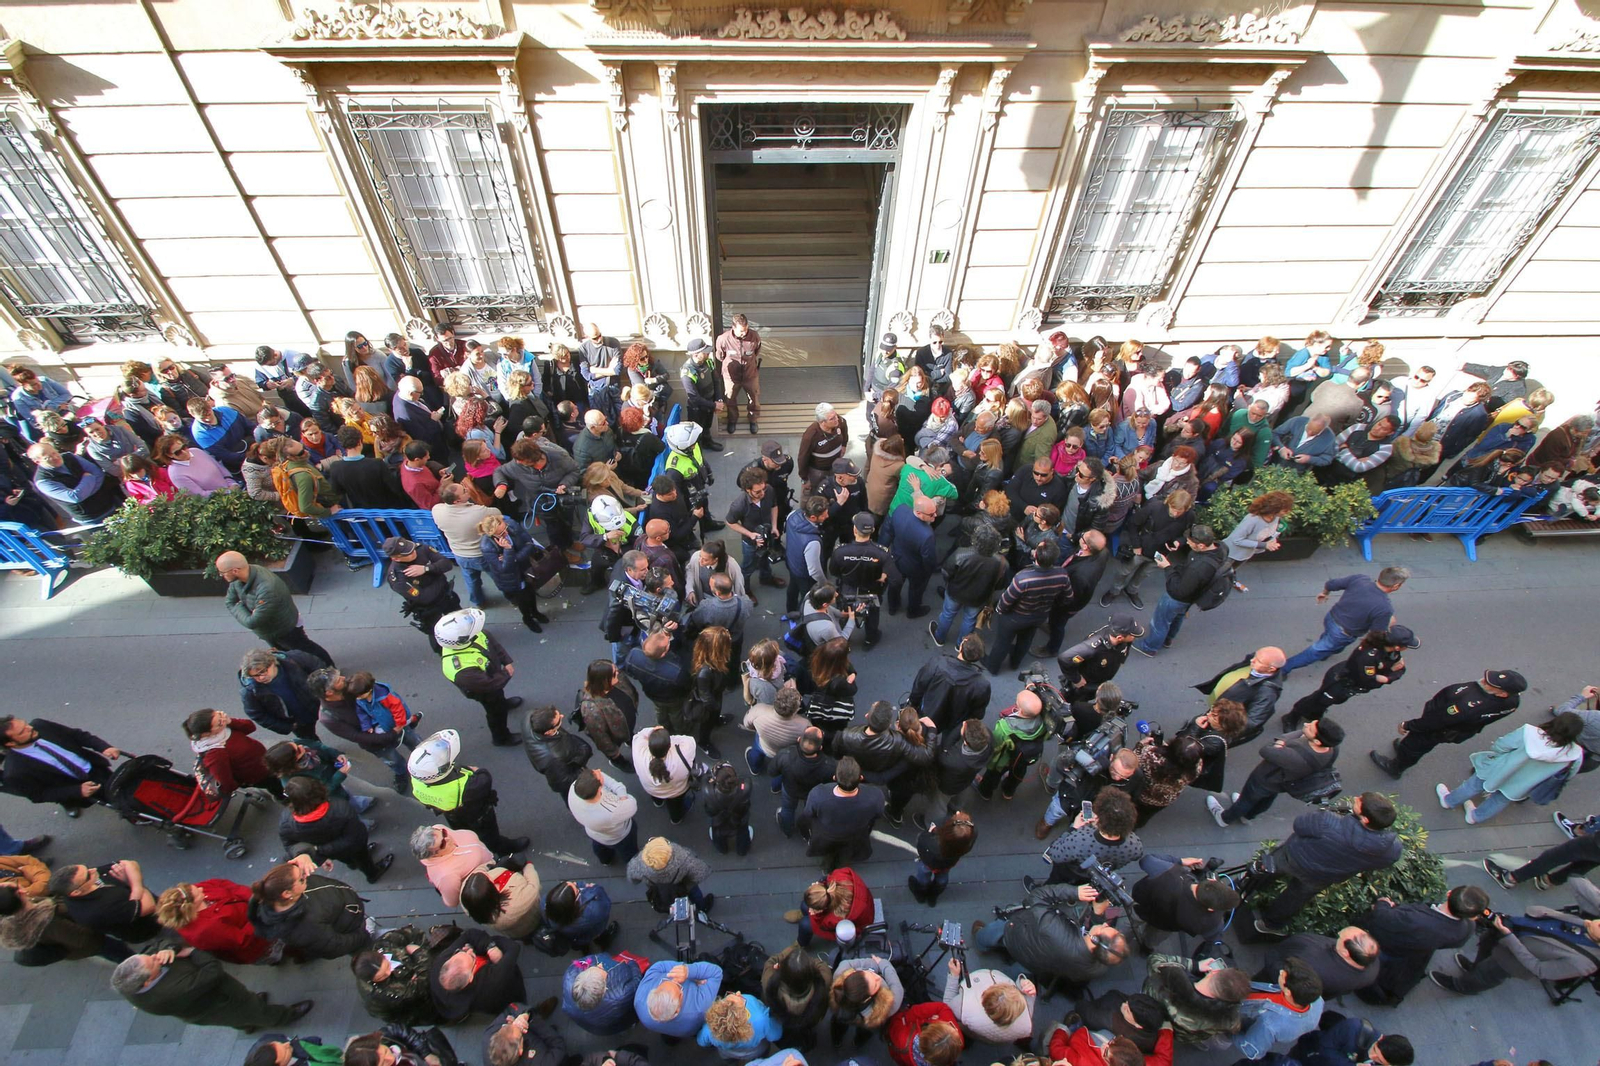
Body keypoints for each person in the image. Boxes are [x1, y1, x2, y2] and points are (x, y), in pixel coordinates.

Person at [1253, 793, 1402, 934]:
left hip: (1294, 856)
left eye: (1358, 802)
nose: (1355, 798)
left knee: (1267, 869)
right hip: (1323, 876)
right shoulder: (1392, 849)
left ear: (1365, 819)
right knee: (1295, 898)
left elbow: (1299, 825)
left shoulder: (1329, 821)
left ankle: (1248, 887)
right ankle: (1270, 924)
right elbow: (1377, 864)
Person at [111, 940, 313, 1031]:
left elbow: (158, 945)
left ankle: (247, 1026)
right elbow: (212, 970)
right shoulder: (172, 992)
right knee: (256, 1010)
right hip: (223, 1002)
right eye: (153, 962)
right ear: (147, 981)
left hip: (206, 1008)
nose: (155, 956)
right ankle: (284, 1016)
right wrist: (191, 952)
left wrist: (168, 948)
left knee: (240, 1018)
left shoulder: (133, 979)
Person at [970, 882, 1128, 991]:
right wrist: (1097, 915)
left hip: (1016, 937)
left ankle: (980, 941)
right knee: (1014, 975)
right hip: (1036, 965)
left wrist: (1075, 892)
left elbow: (1037, 897)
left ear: (1094, 940)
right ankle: (1002, 982)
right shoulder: (1098, 968)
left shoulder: (1053, 929)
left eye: (1105, 929)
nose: (1107, 925)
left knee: (991, 934)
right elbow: (1088, 933)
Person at [1369, 669, 1525, 779]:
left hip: (1438, 728)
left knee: (1414, 747)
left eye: (1493, 683)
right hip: (1455, 729)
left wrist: (1408, 725)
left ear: (1502, 693)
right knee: (1414, 744)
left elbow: (1435, 721)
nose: (1484, 680)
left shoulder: (1469, 705)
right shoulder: (1512, 701)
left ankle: (1396, 767)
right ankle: (1404, 751)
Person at [1435, 712, 1584, 824]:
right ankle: (1475, 817)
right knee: (1501, 800)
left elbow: (1501, 745)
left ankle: (1449, 801)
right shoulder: (1575, 754)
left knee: (1474, 785)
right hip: (1525, 784)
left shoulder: (1529, 732)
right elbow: (1569, 774)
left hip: (1500, 769)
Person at [1357, 884, 1488, 1006]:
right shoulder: (1467, 929)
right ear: (1473, 916)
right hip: (1410, 956)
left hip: (1387, 947)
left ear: (1449, 893)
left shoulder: (1413, 918)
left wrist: (1383, 903)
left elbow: (1382, 917)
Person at [408, 729, 529, 855]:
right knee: (489, 836)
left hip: (451, 815)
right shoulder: (469, 787)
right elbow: (484, 776)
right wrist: (473, 770)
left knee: (463, 834)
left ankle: (474, 848)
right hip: (476, 815)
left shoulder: (418, 779)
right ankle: (502, 850)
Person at [1429, 907, 1600, 995]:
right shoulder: (1586, 926)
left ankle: (1462, 986)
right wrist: (1583, 921)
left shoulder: (1585, 963)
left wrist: (1509, 937)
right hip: (1508, 930)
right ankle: (1474, 966)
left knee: (1486, 975)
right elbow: (1577, 881)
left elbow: (1539, 969)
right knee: (1484, 952)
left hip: (1512, 959)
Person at [1207, 718, 1344, 827]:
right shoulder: (1332, 749)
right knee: (1267, 799)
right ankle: (1248, 816)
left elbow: (1266, 750)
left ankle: (1225, 818)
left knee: (1247, 799)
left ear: (1317, 741)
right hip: (1284, 783)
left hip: (1265, 779)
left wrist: (1280, 742)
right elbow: (1295, 736)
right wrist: (1284, 742)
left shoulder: (1295, 756)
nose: (1306, 724)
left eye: (1309, 728)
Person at [1282, 625, 1416, 730]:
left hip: (1351, 683)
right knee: (1317, 699)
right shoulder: (1369, 657)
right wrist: (1388, 677)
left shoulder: (1390, 651)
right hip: (1340, 682)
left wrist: (1386, 674)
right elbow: (1369, 680)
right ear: (1397, 646)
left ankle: (1313, 715)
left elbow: (1399, 667)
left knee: (1326, 702)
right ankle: (1291, 717)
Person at [1280, 567, 1408, 677]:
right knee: (1316, 650)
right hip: (1344, 632)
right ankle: (1283, 669)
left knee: (1329, 641)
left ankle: (1326, 651)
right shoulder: (1384, 608)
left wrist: (1325, 593)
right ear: (1396, 586)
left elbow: (1331, 584)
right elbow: (1376, 633)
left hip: (1331, 617)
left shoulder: (1360, 579)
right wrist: (1389, 624)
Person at [216, 550, 334, 665]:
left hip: (284, 629)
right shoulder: (240, 578)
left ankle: (329, 668)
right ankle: (309, 667)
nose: (221, 575)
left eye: (222, 572)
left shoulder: (266, 588)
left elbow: (252, 622)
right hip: (271, 631)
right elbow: (230, 601)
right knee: (290, 653)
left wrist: (240, 605)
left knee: (306, 649)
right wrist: (242, 606)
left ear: (235, 570)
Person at [247, 854, 371, 960]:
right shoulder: (304, 929)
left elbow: (293, 846)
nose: (306, 875)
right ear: (287, 894)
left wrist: (304, 854)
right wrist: (362, 934)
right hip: (351, 928)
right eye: (301, 879)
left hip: (347, 909)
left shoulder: (279, 887)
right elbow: (336, 946)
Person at [1130, 525, 1228, 657]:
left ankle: (1149, 647)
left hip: (1177, 598)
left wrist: (1167, 567)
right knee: (1178, 616)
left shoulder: (1199, 568)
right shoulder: (1221, 548)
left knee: (1160, 622)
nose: (1186, 542)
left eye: (1189, 541)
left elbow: (1178, 591)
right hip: (1193, 595)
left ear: (1201, 546)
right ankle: (1168, 639)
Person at [435, 608, 523, 747]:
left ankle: (503, 703)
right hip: (485, 691)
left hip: (491, 676)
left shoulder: (471, 634)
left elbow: (492, 644)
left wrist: (506, 661)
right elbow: (488, 685)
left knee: (499, 698)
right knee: (495, 712)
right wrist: (506, 673)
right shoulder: (462, 670)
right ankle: (501, 737)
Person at [0, 716, 124, 814]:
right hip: (75, 785)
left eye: (25, 724)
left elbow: (77, 735)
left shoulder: (40, 725)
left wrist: (104, 747)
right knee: (115, 801)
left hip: (96, 769)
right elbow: (38, 795)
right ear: (11, 743)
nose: (29, 728)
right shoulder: (14, 772)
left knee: (121, 788)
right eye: (22, 732)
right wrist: (76, 791)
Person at [983, 540, 1073, 674]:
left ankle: (993, 666)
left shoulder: (1023, 578)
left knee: (1002, 642)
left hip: (1014, 617)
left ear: (1035, 555)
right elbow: (1068, 597)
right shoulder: (1062, 574)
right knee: (1026, 640)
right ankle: (1015, 663)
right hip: (1039, 616)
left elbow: (1006, 601)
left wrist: (1000, 611)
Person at [279, 776, 392, 882]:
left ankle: (352, 864)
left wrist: (318, 855)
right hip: (355, 845)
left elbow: (290, 845)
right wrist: (319, 850)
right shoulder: (340, 808)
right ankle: (373, 874)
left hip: (333, 853)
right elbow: (353, 837)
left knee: (348, 859)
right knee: (363, 859)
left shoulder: (286, 821)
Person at [155, 878, 278, 964]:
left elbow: (223, 884)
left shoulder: (193, 892)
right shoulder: (204, 930)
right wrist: (260, 913)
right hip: (259, 942)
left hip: (261, 916)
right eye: (198, 893)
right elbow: (242, 939)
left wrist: (255, 899)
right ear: (190, 907)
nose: (201, 889)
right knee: (275, 950)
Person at [1039, 786, 1144, 887]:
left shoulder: (1079, 839)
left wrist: (1074, 828)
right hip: (1097, 876)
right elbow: (1137, 855)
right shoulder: (1135, 844)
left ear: (1098, 818)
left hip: (1069, 871)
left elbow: (1054, 854)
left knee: (1054, 885)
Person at [798, 756, 886, 870]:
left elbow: (809, 813)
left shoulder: (818, 794)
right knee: (846, 855)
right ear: (861, 777)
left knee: (827, 855)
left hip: (827, 835)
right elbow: (878, 814)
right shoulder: (875, 795)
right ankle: (842, 868)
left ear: (834, 778)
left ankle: (827, 869)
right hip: (855, 835)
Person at [48, 859, 160, 945]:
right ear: (77, 892)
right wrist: (132, 883)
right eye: (87, 875)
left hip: (148, 907)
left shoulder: (86, 881)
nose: (93, 870)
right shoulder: (98, 910)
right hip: (150, 926)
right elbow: (149, 906)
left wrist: (136, 889)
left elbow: (129, 864)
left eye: (87, 868)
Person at [1131, 856, 1239, 941]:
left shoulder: (1170, 872)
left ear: (1211, 881)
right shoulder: (1212, 923)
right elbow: (1212, 937)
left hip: (1138, 907)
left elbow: (1146, 861)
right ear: (1211, 909)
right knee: (1154, 938)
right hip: (1163, 926)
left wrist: (1180, 861)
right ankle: (1146, 949)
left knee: (1129, 925)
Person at [431, 927, 527, 1022]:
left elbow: (470, 934)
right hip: (505, 997)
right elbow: (513, 948)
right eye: (472, 957)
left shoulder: (438, 965)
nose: (469, 950)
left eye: (459, 951)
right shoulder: (493, 979)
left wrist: (489, 947)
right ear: (470, 977)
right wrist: (493, 947)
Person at [1235, 958, 1324, 1060]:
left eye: (1283, 975)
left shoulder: (1270, 1024)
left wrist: (1228, 1030)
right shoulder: (1316, 999)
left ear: (1288, 992)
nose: (1280, 972)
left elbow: (1251, 1050)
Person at [478, 513, 553, 634]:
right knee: (522, 599)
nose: (506, 533)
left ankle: (535, 612)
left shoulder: (512, 525)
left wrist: (513, 558)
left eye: (505, 529)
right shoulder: (487, 546)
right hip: (511, 578)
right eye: (501, 533)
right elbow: (504, 569)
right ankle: (527, 618)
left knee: (531, 592)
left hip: (526, 569)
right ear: (492, 534)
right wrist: (508, 550)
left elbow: (529, 544)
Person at [1262, 926, 1382, 999]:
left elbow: (1276, 962)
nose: (1337, 936)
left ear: (1345, 953)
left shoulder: (1310, 957)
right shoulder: (1373, 965)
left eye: (1340, 937)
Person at [974, 688, 1050, 800]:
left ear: (1020, 710)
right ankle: (1008, 792)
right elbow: (1047, 736)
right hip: (1024, 757)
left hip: (1004, 760)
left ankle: (985, 792)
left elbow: (995, 746)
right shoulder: (1045, 722)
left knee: (992, 776)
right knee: (1018, 773)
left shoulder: (1005, 727)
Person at [942, 956, 1035, 1046]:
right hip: (997, 1039)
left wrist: (954, 976)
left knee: (968, 1033)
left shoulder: (963, 1006)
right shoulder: (1026, 1024)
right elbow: (1028, 996)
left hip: (974, 1031)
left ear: (985, 994)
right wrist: (1022, 982)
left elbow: (946, 1007)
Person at [909, 634, 991, 734]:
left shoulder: (937, 663)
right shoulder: (982, 685)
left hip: (927, 712)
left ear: (961, 647)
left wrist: (912, 704)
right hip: (954, 722)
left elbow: (919, 687)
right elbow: (978, 714)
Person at [27, 441, 125, 521]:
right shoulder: (43, 481)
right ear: (37, 462)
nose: (55, 457)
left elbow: (98, 473)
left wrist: (85, 492)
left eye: (54, 452)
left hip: (111, 502)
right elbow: (75, 497)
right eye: (48, 457)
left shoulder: (69, 456)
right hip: (93, 517)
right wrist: (88, 478)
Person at [637, 957, 723, 1042]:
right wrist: (689, 972)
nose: (675, 980)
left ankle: (669, 1039)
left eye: (665, 981)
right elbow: (716, 972)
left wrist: (682, 972)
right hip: (686, 1030)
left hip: (662, 1027)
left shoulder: (639, 999)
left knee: (668, 1031)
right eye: (679, 987)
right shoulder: (699, 1008)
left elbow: (659, 966)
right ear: (677, 1010)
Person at [772, 727, 837, 838]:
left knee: (787, 809)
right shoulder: (829, 765)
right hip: (812, 793)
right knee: (810, 813)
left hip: (790, 789)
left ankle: (788, 831)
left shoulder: (785, 755)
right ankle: (806, 832)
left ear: (799, 739)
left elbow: (772, 771)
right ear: (820, 747)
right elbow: (829, 784)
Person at [828, 954, 904, 1047]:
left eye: (871, 973)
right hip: (868, 1022)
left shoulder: (841, 972)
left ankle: (836, 1041)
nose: (878, 977)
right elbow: (897, 987)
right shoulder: (890, 1004)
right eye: (876, 985)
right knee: (866, 1031)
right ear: (867, 998)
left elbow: (848, 963)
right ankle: (857, 1043)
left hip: (843, 1014)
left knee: (839, 1025)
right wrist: (881, 963)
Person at [568, 768, 641, 865]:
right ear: (599, 789)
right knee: (629, 852)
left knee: (600, 847)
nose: (599, 770)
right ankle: (633, 864)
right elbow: (631, 804)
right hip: (619, 836)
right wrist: (622, 793)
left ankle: (606, 860)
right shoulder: (613, 810)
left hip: (594, 833)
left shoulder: (574, 790)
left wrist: (597, 777)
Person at [411, 824, 494, 908]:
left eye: (444, 832)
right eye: (442, 844)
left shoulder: (438, 828)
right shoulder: (447, 876)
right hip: (489, 882)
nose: (447, 838)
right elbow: (452, 902)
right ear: (434, 855)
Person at [564, 951, 646, 1034]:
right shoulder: (621, 995)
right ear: (604, 990)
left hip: (591, 1025)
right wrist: (632, 963)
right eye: (602, 970)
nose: (600, 965)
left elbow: (586, 960)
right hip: (613, 1024)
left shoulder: (569, 974)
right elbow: (636, 980)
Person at [908, 811, 975, 908]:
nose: (957, 812)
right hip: (948, 864)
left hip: (928, 863)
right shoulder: (968, 840)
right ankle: (932, 898)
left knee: (923, 875)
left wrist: (930, 832)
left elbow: (921, 843)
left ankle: (920, 895)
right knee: (942, 879)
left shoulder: (931, 844)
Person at [1289, 1016, 1415, 1066]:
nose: (1372, 1056)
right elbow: (1324, 1049)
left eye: (1379, 1061)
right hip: (1311, 1057)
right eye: (1375, 1049)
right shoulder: (1353, 1028)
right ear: (1381, 1038)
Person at [543, 880, 620, 953]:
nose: (576, 884)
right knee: (596, 936)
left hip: (571, 937)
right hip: (592, 932)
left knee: (580, 943)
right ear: (575, 902)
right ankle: (603, 941)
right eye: (577, 890)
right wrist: (594, 888)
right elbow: (606, 904)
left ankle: (584, 949)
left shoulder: (545, 903)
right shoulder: (593, 910)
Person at [717, 312, 762, 434]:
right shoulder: (723, 339)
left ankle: (753, 419)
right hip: (731, 376)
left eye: (746, 329)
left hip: (750, 374)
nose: (744, 333)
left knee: (754, 398)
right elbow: (720, 356)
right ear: (733, 328)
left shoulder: (754, 336)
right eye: (741, 331)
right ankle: (732, 419)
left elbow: (756, 351)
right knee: (730, 399)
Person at [797, 403, 848, 489]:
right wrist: (804, 478)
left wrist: (844, 445)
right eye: (832, 419)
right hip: (819, 471)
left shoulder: (839, 421)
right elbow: (803, 458)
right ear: (822, 422)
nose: (837, 419)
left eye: (835, 415)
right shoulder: (810, 436)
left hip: (836, 467)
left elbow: (844, 430)